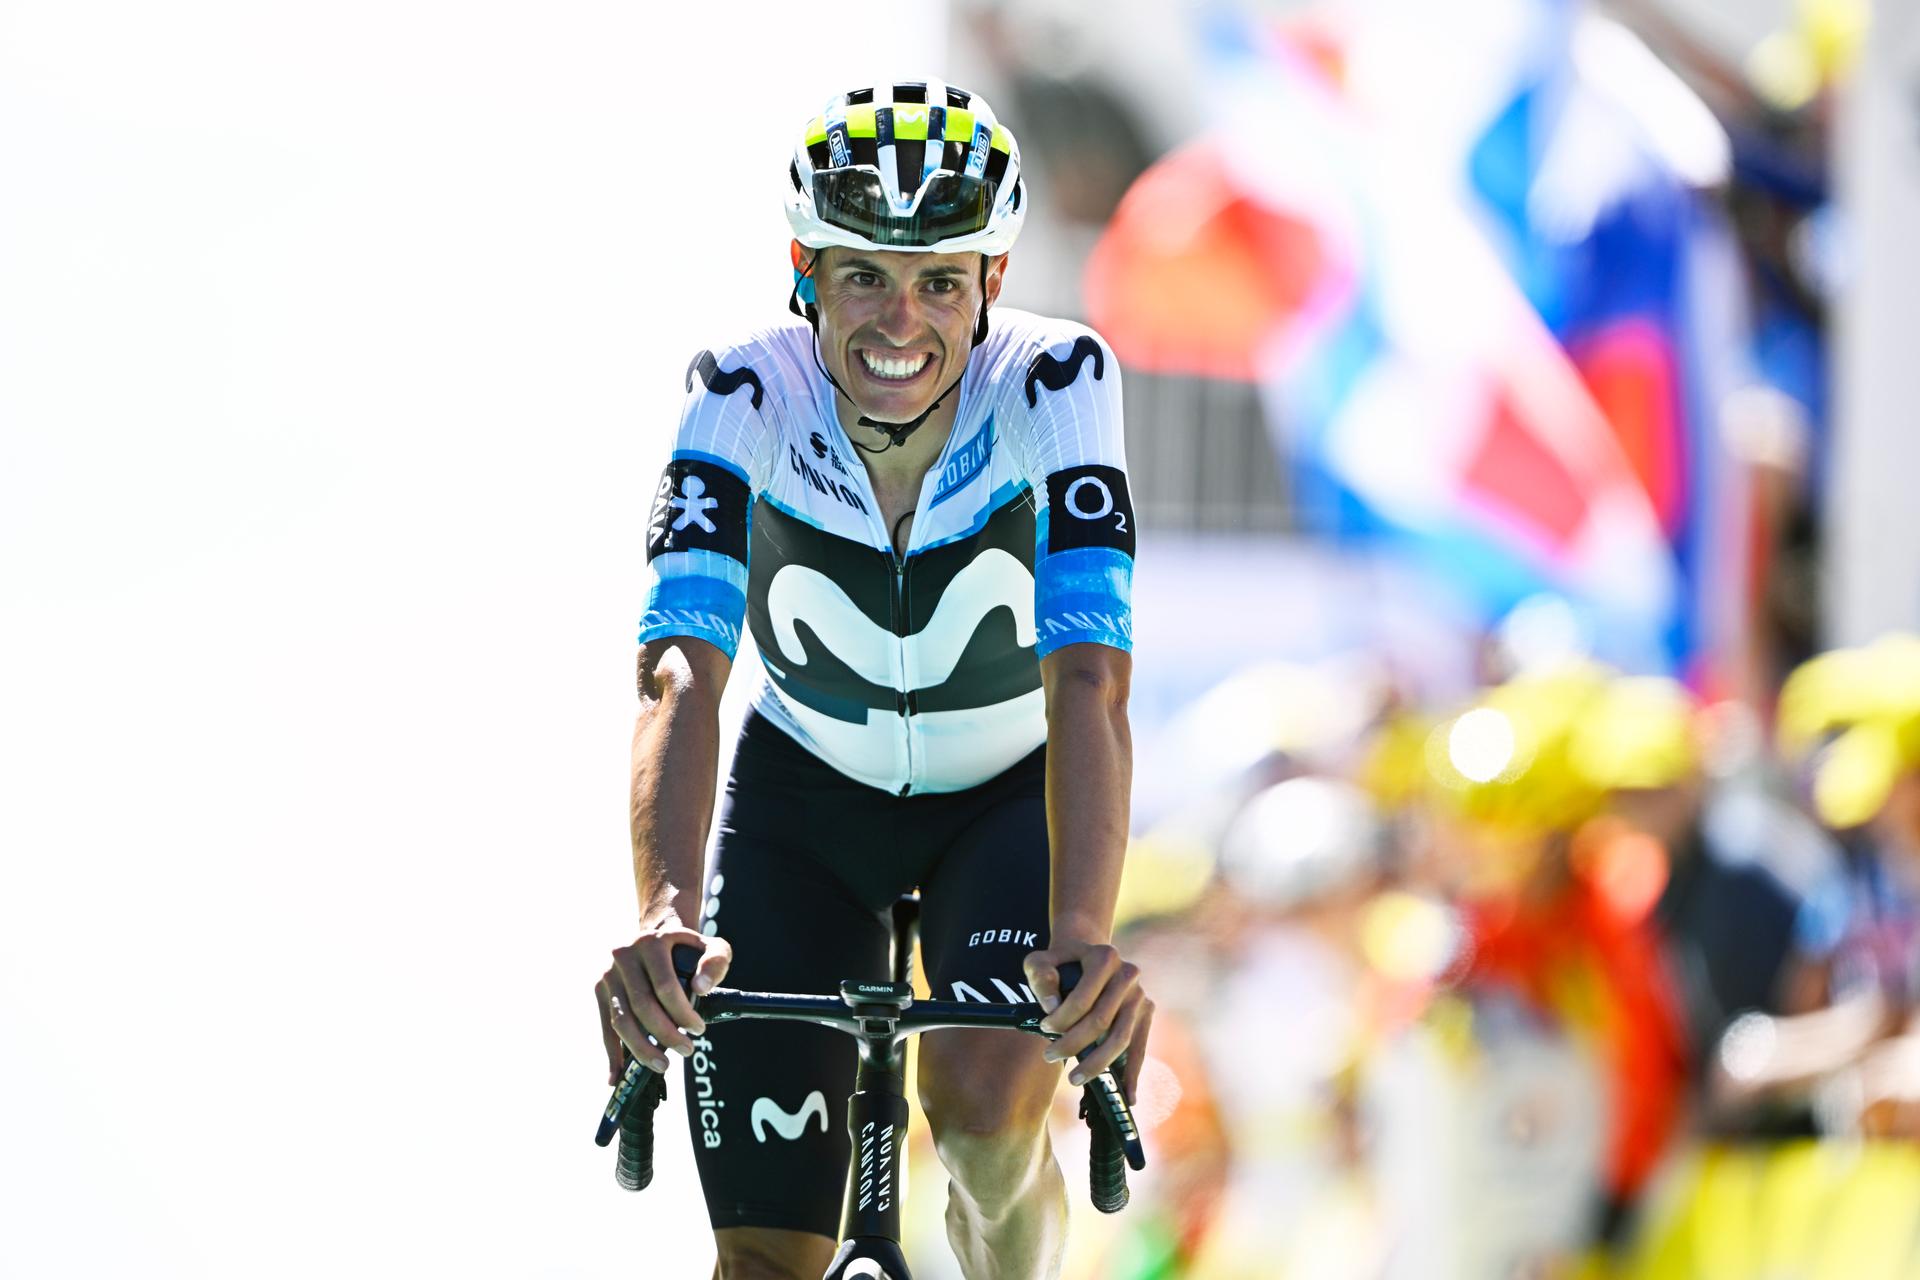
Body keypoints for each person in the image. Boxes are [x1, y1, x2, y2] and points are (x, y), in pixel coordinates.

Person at [593, 82, 1153, 1280]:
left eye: (940, 281)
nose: (901, 319)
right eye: (864, 277)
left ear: (990, 286)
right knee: (761, 1261)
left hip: (1005, 797)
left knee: (987, 1112)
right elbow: (679, 669)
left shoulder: (1056, 383)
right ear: (804, 270)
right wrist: (662, 913)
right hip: (806, 799)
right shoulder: (743, 393)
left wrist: (1083, 941)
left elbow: (1091, 680)